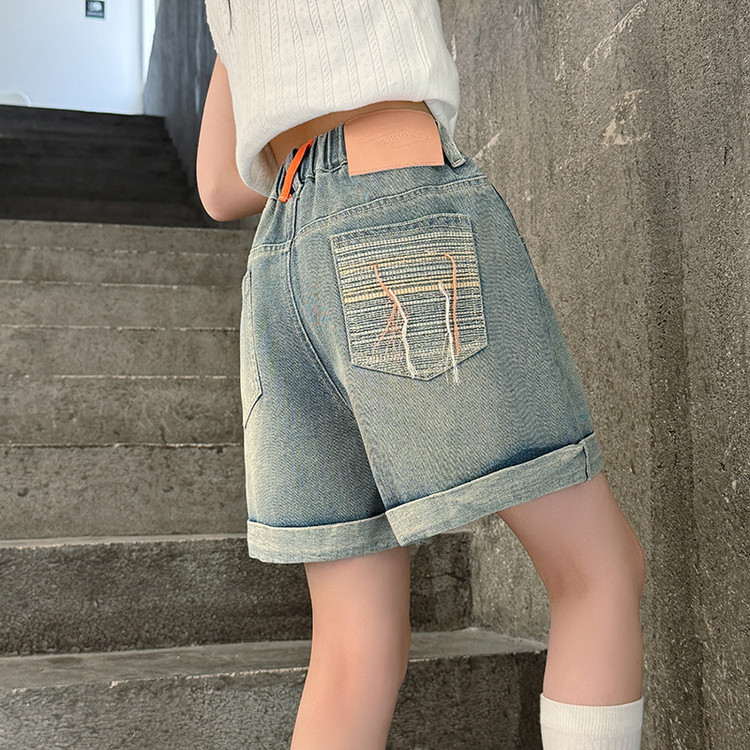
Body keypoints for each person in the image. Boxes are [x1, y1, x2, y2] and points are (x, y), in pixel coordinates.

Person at [196, 1, 646, 748]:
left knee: (352, 655)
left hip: (280, 267)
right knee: (597, 575)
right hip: (396, 204)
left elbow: (219, 186)